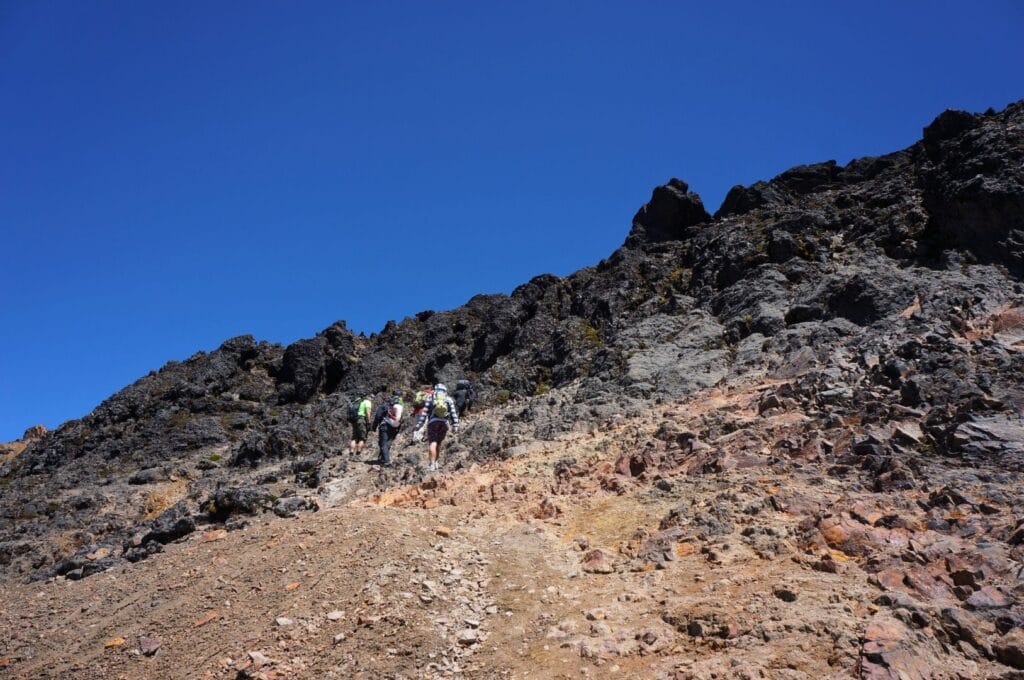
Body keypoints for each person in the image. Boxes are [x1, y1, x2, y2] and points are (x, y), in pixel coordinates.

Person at [413, 383, 459, 471]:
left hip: (432, 423)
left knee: (432, 443)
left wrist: (419, 425)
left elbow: (424, 414)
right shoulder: (448, 399)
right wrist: (455, 425)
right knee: (438, 443)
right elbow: (453, 413)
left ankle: (432, 464)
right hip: (444, 424)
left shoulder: (430, 398)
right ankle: (436, 462)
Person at [372, 390, 404, 466]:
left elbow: (378, 415)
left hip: (385, 424)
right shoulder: (402, 404)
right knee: (387, 442)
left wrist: (374, 427)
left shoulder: (387, 403)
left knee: (383, 442)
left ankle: (386, 461)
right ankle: (382, 458)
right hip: (396, 426)